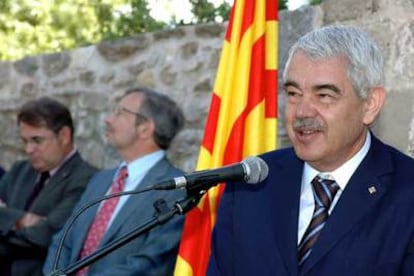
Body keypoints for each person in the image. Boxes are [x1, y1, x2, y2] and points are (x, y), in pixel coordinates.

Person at [207, 25, 414, 275]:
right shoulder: (248, 185)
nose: (302, 112)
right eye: (293, 93)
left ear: (370, 104)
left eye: (324, 95)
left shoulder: (406, 190)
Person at [43, 87, 186, 275]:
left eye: (120, 112)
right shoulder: (100, 180)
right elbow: (63, 239)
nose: (108, 119)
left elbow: (150, 263)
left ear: (145, 128)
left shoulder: (176, 189)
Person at [0, 97, 98, 276]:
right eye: (25, 141)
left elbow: (47, 236)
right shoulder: (19, 171)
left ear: (64, 136)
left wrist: (4, 220)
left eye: (37, 140)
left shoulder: (87, 179)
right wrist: (21, 219)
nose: (29, 149)